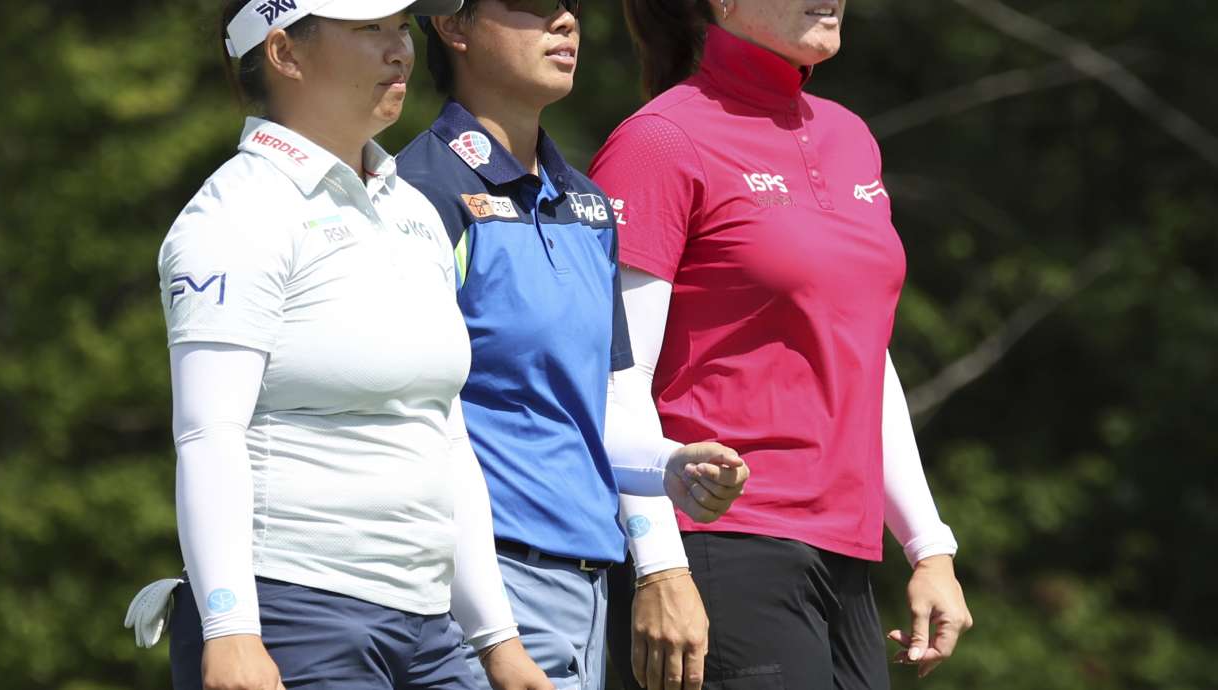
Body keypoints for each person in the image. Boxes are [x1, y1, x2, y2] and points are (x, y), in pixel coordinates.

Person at [133, 1, 555, 688]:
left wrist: (499, 642)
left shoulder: (412, 211)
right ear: (284, 53)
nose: (400, 49)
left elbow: (444, 434)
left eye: (401, 28)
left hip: (431, 629)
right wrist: (231, 628)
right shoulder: (235, 213)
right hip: (292, 617)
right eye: (368, 30)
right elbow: (209, 432)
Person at [590, 1, 975, 689]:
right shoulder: (658, 140)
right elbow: (613, 379)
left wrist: (929, 545)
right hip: (715, 548)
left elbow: (862, 354)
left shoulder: (850, 135)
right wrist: (660, 567)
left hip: (844, 558)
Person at [395, 3, 750, 690]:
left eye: (573, 5)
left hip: (587, 587)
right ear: (453, 25)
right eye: (534, 2)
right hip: (475, 591)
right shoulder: (418, 193)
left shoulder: (586, 204)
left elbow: (594, 413)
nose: (564, 21)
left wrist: (670, 466)